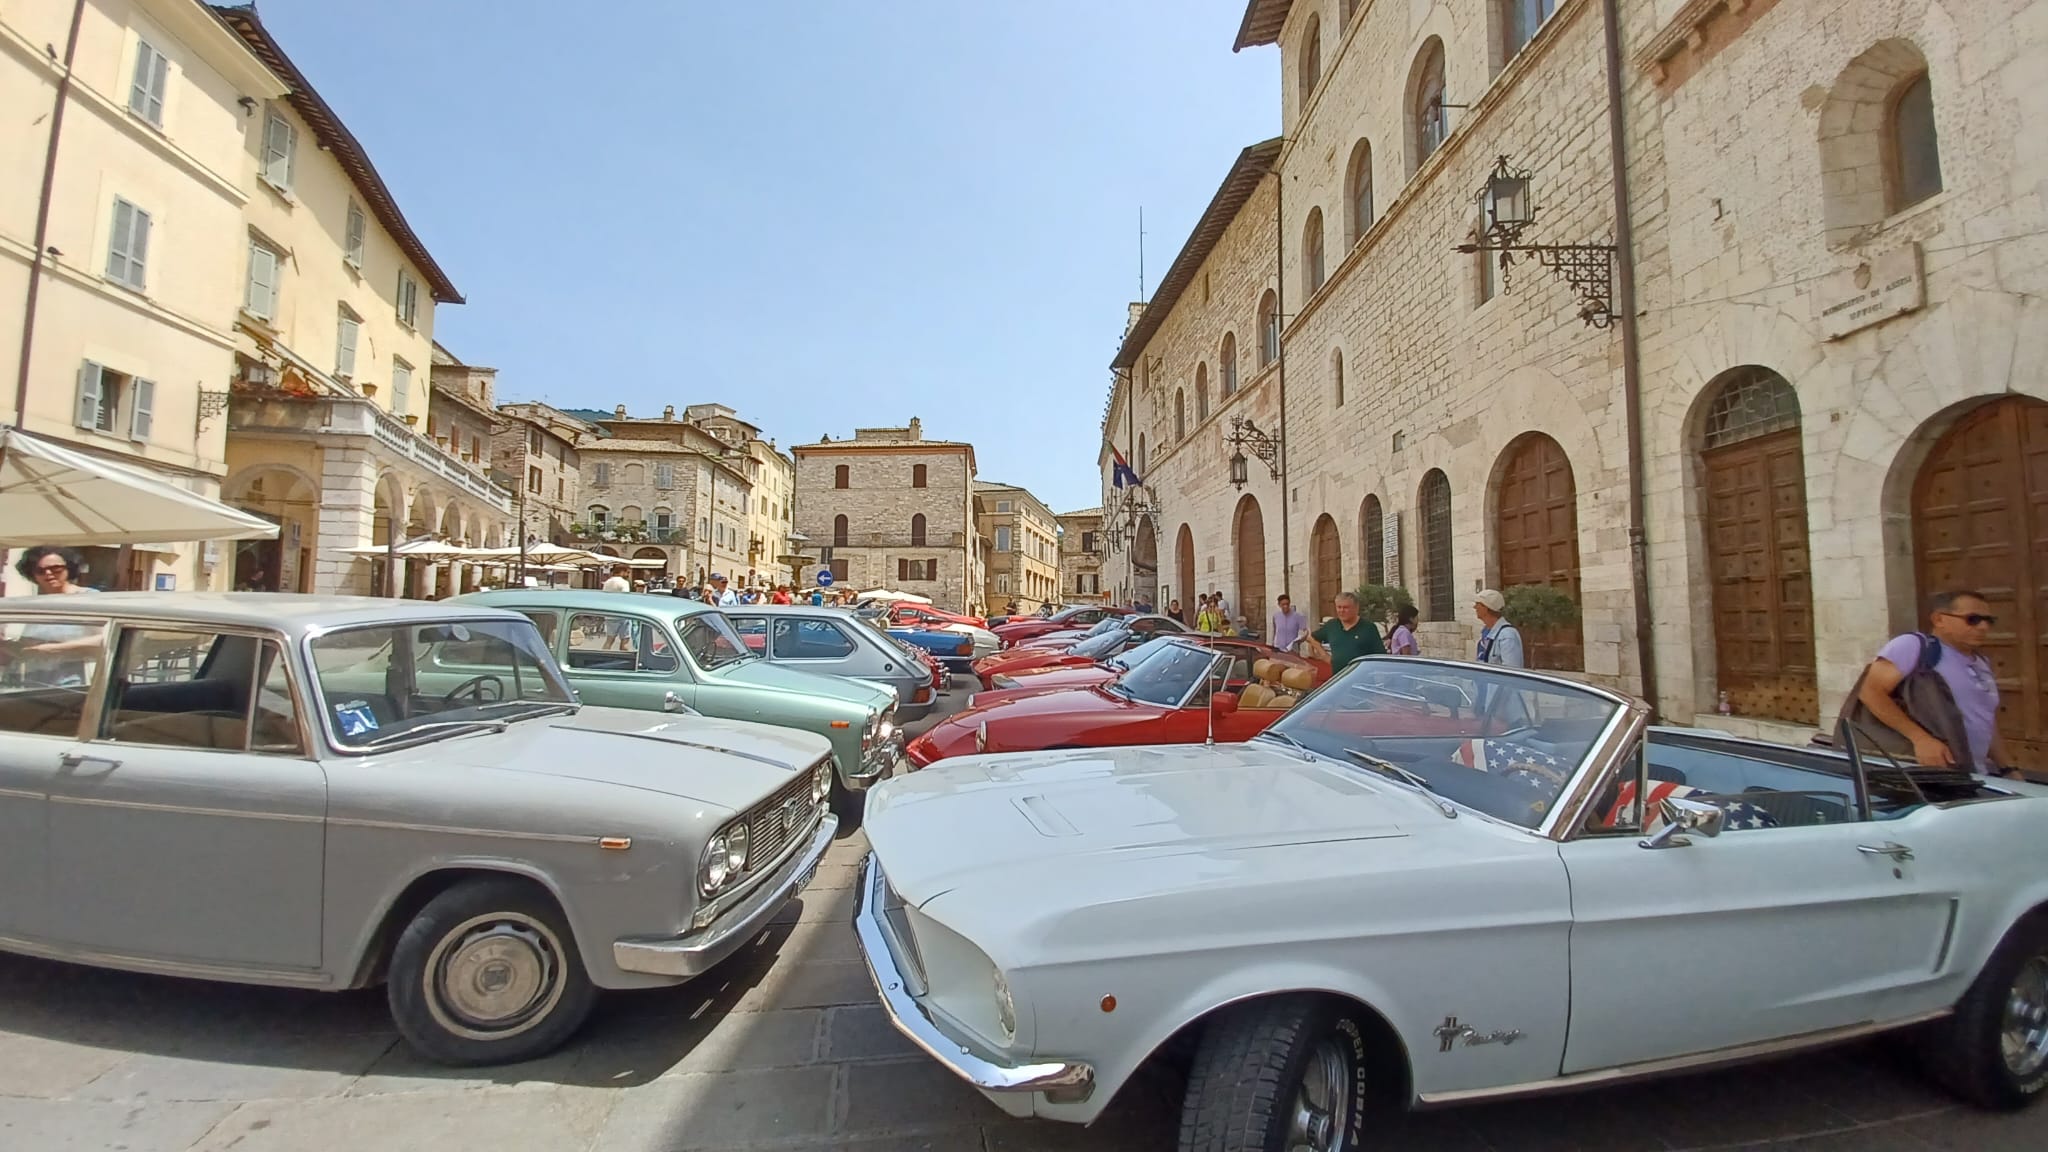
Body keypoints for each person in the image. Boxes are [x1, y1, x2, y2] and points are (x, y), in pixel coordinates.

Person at [1851, 590, 2020, 778]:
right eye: (1973, 619)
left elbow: (1984, 720)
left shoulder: (1981, 663)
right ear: (1939, 619)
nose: (1983, 627)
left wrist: (2007, 768)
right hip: (1923, 774)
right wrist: (1920, 739)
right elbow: (1870, 693)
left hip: (1969, 773)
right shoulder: (1913, 646)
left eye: (1989, 621)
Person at [1306, 591, 1387, 674]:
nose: (1341, 610)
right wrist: (1323, 656)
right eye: (1339, 607)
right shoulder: (1332, 625)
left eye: (1346, 607)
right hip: (1339, 678)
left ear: (1356, 608)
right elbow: (1311, 638)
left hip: (1362, 678)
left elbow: (1380, 655)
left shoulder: (1369, 628)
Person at [1473, 589, 1524, 668]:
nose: (1474, 607)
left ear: (1486, 608)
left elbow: (1511, 671)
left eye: (1478, 604)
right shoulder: (1486, 632)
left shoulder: (1507, 636)